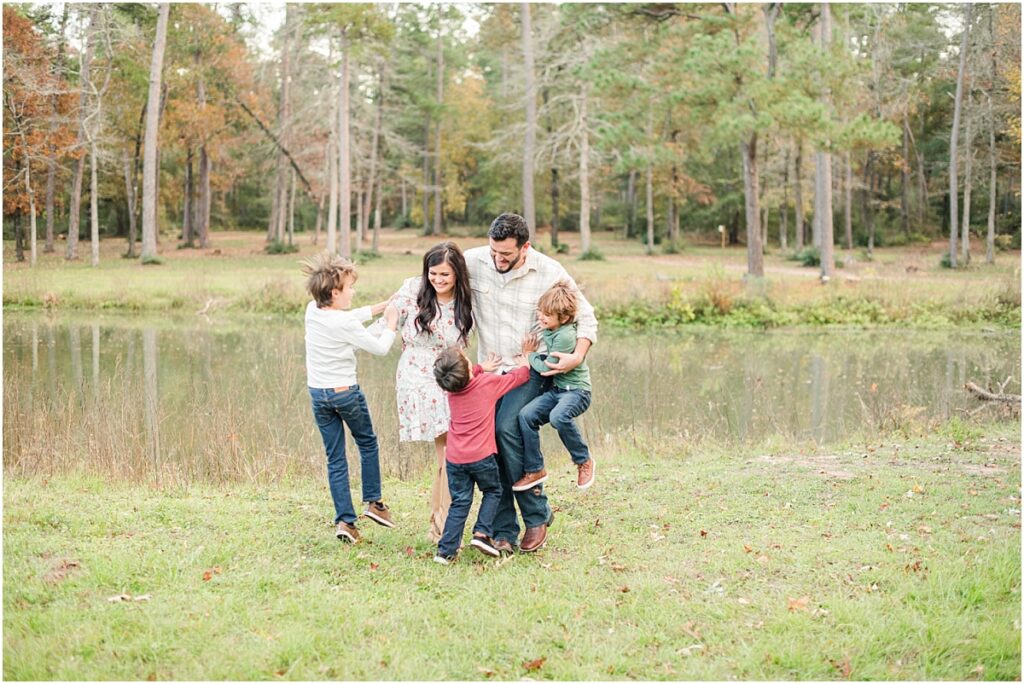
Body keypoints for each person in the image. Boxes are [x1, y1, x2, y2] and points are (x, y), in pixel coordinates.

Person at [464, 212, 598, 554]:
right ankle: (505, 529)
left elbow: (586, 316)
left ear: (526, 247)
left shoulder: (549, 271)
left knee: (506, 427)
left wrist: (578, 355)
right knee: (488, 442)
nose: (498, 260)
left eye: (506, 255)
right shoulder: (475, 260)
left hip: (530, 370)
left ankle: (535, 516)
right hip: (490, 372)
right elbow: (432, 277)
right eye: (495, 252)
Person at [303, 253, 399, 544]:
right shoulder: (344, 325)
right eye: (349, 287)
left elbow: (351, 317)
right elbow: (380, 348)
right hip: (345, 394)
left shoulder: (312, 310)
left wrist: (383, 305)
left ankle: (345, 521)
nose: (353, 292)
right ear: (335, 293)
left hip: (318, 394)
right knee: (367, 443)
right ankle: (374, 503)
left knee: (336, 458)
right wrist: (392, 323)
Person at [382, 242, 473, 542]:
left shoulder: (464, 301)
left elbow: (463, 344)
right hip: (418, 379)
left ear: (457, 273)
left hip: (451, 377)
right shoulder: (414, 289)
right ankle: (442, 525)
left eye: (445, 274)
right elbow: (393, 307)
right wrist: (390, 325)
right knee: (448, 454)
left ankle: (440, 522)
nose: (438, 280)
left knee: (449, 454)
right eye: (433, 273)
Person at [431, 346, 530, 564]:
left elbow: (463, 378)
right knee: (493, 491)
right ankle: (482, 534)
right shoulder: (487, 385)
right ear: (467, 369)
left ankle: (445, 552)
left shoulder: (451, 391)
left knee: (460, 502)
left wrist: (479, 368)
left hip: (455, 459)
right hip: (482, 457)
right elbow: (518, 377)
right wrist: (525, 360)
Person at [514, 280, 595, 492]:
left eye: (546, 315)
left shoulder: (566, 336)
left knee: (558, 417)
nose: (541, 317)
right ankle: (535, 469)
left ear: (564, 318)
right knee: (526, 416)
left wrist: (529, 355)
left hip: (577, 392)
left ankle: (583, 459)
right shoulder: (553, 326)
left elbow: (548, 367)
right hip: (558, 391)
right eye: (540, 312)